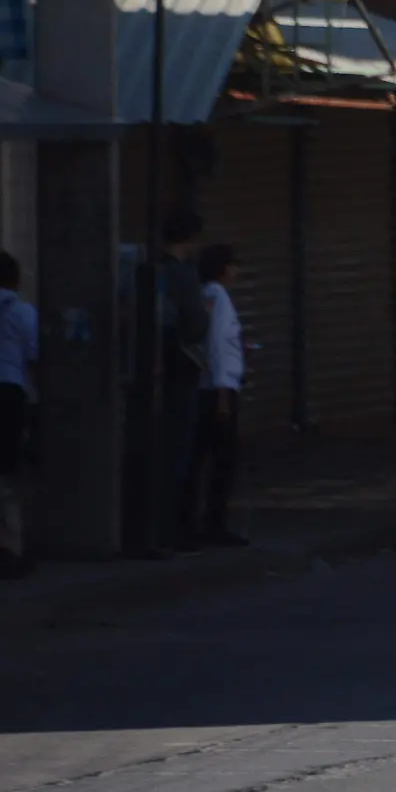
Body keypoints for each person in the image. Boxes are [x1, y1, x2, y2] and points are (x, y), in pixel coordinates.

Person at [154, 208, 210, 555]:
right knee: (181, 452)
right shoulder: (184, 277)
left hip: (153, 370)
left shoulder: (152, 271)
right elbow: (195, 326)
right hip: (181, 368)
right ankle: (177, 528)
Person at [188, 244, 247, 547]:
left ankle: (194, 521)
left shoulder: (204, 294)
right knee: (223, 460)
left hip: (204, 388)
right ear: (223, 268)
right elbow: (219, 346)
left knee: (199, 457)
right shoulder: (219, 297)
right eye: (234, 265)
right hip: (219, 390)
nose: (237, 271)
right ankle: (214, 523)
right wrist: (224, 392)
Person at [0, 251, 37, 479]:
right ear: (16, 279)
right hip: (11, 386)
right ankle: (6, 502)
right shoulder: (23, 311)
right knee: (9, 452)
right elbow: (33, 353)